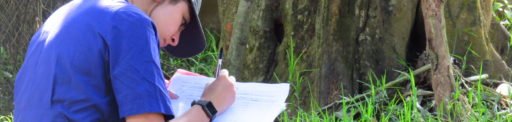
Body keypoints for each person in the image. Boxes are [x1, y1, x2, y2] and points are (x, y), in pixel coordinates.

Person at [13, 0, 236, 121]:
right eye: (183, 22)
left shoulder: (72, 11)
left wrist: (146, 94)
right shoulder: (133, 22)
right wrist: (209, 105)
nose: (176, 39)